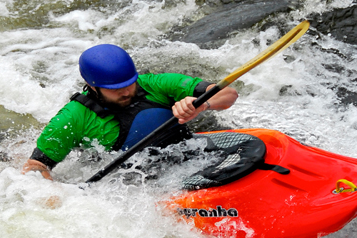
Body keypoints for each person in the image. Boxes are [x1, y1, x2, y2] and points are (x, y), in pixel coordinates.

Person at [22, 44, 238, 180]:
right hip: (130, 181)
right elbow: (36, 166)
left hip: (185, 154)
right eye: (115, 89)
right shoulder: (72, 117)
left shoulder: (154, 83)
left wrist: (202, 104)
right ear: (93, 86)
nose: (126, 92)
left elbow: (228, 94)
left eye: (130, 83)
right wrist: (51, 195)